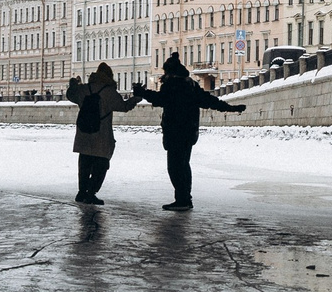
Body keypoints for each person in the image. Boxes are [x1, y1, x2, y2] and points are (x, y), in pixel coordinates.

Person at [134, 54, 245, 211]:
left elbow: (161, 99)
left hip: (175, 132)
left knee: (175, 167)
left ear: (170, 72)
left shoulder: (173, 84)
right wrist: (230, 107)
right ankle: (185, 198)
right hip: (189, 131)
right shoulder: (191, 85)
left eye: (165, 72)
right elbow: (208, 100)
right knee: (184, 165)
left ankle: (182, 199)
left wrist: (142, 93)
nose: (164, 76)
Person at [64, 62, 138, 204]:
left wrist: (73, 84)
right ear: (109, 76)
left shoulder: (84, 89)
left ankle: (81, 192)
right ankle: (91, 193)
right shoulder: (109, 92)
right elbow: (124, 106)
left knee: (84, 164)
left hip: (84, 133)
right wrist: (136, 98)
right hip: (101, 135)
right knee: (101, 165)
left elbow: (70, 95)